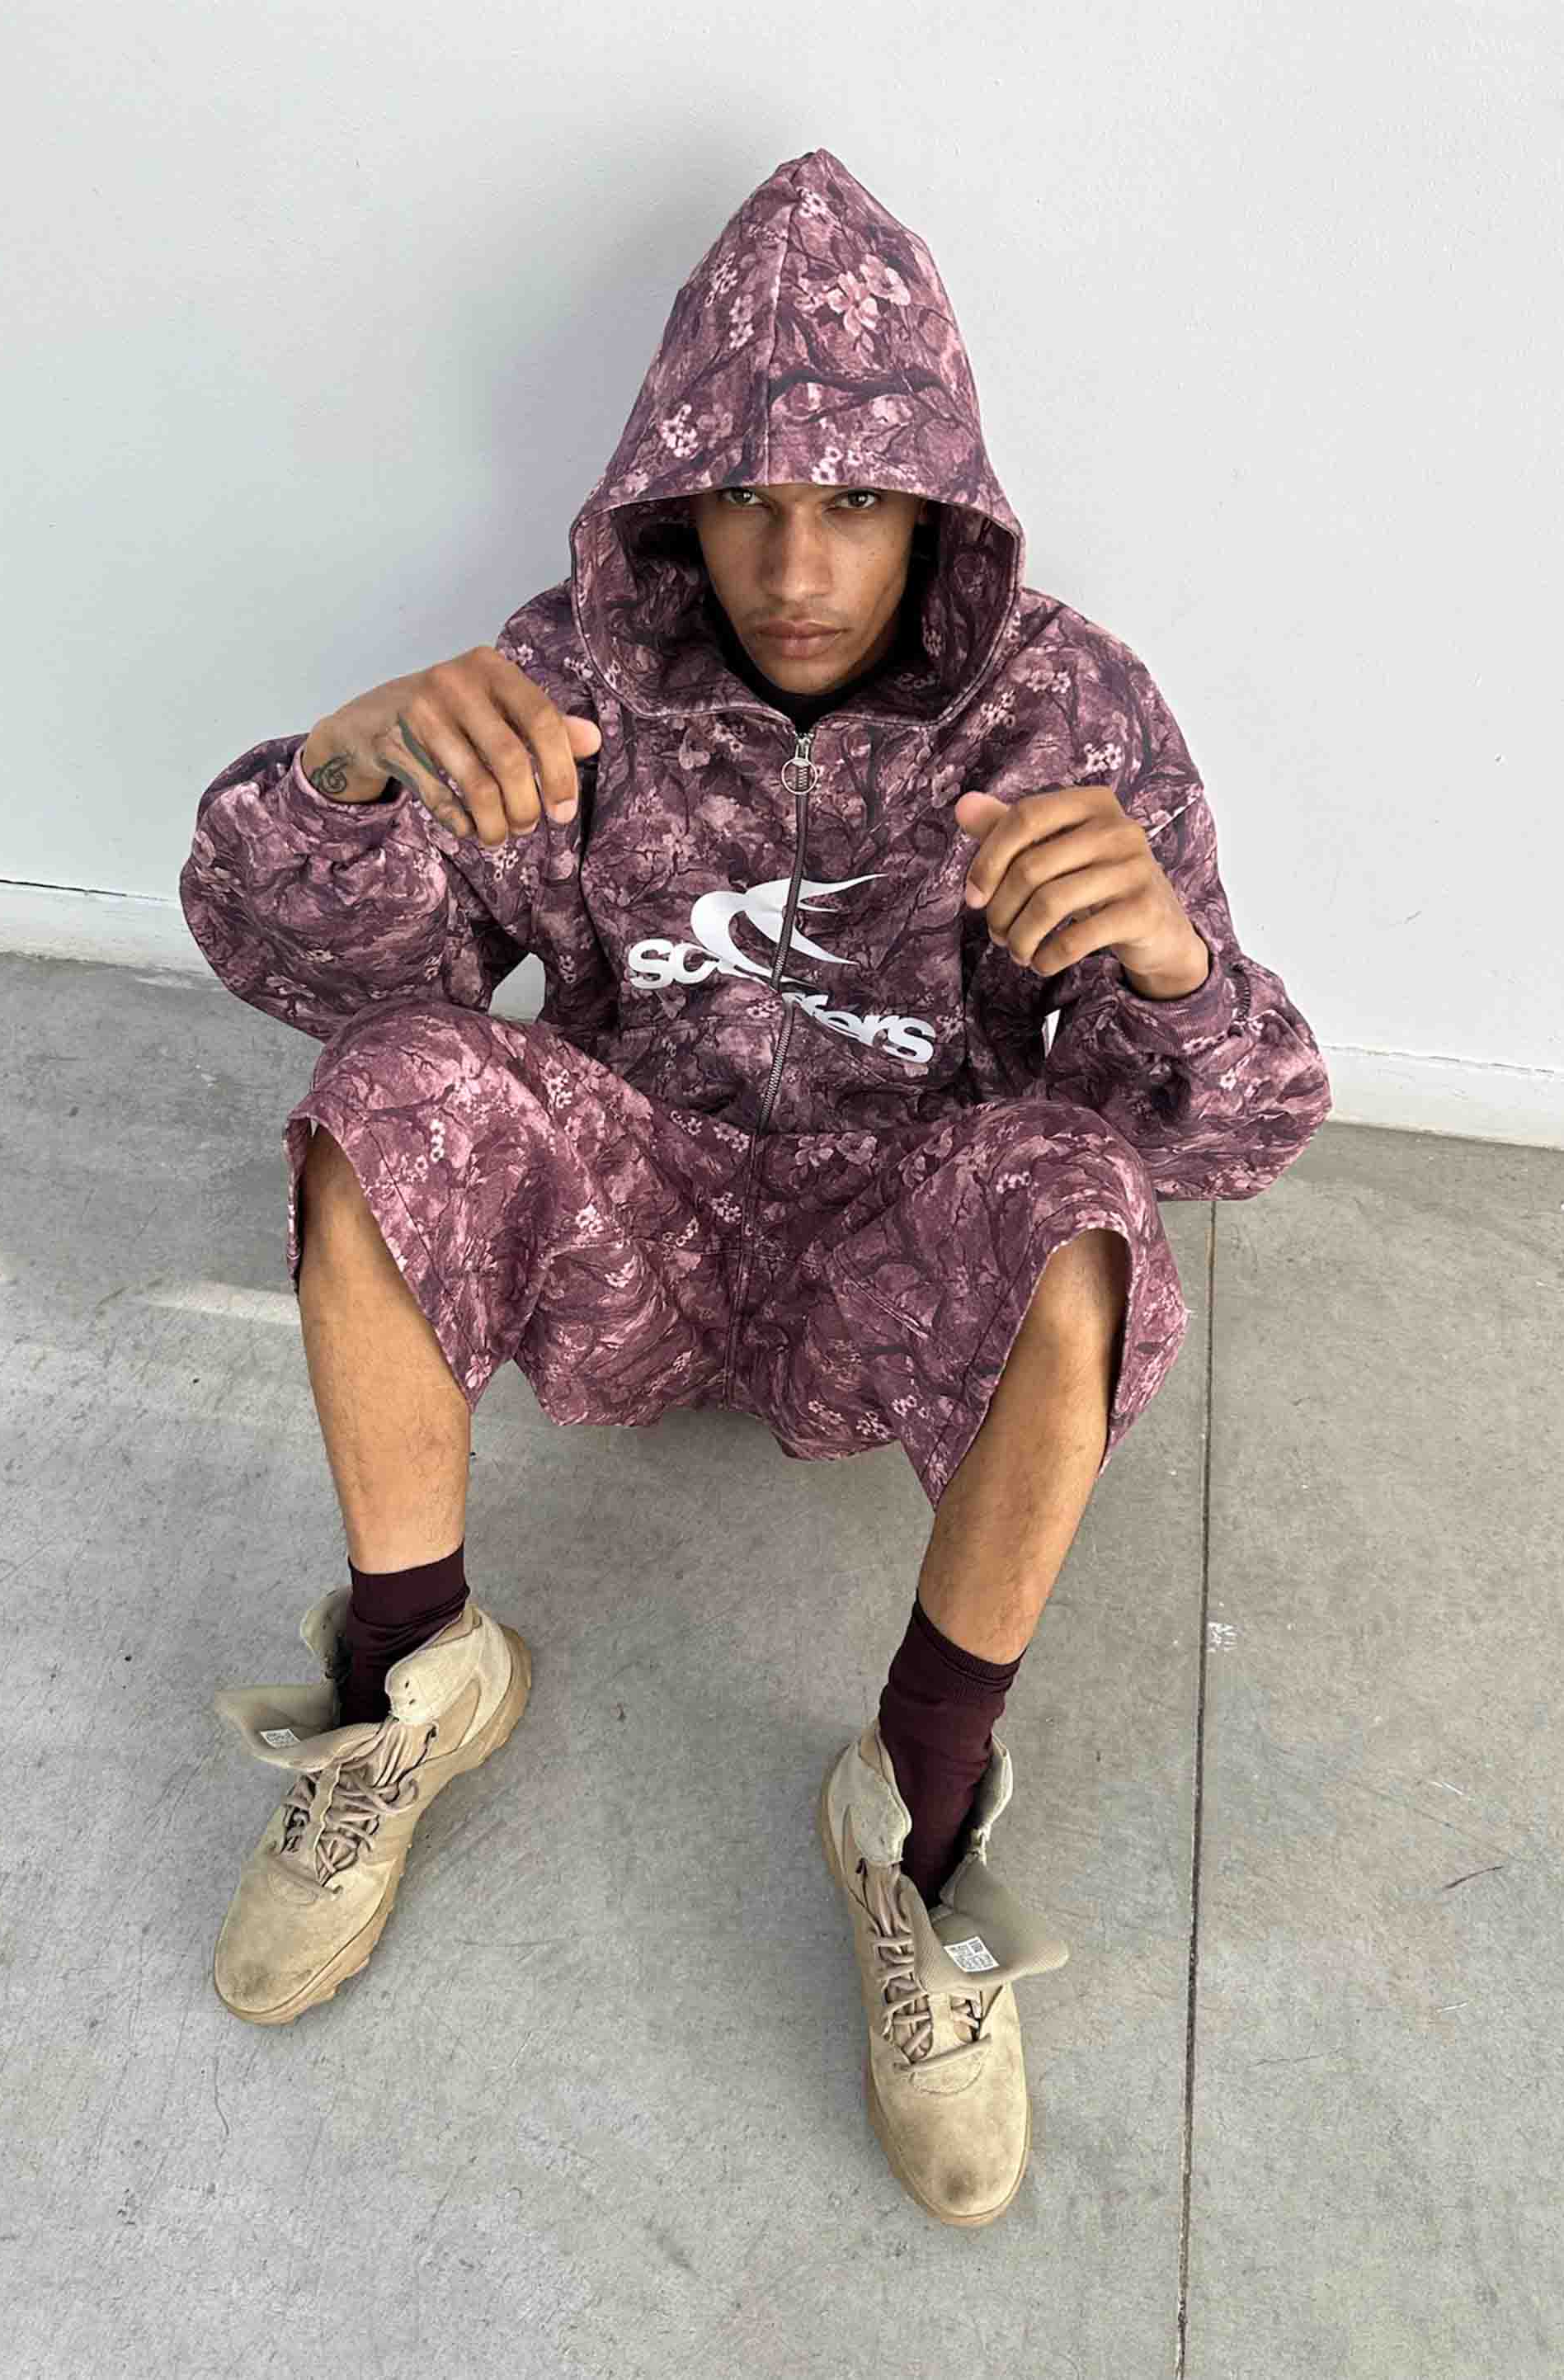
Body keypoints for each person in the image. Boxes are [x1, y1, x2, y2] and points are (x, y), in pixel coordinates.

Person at [181, 147, 1331, 2223]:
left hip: (899, 1243)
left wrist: (1175, 970)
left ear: (940, 509)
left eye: (858, 504)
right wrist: (331, 786)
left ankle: (920, 1813)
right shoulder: (575, 677)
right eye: (747, 501)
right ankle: (414, 1670)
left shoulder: (1063, 705)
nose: (797, 564)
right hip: (636, 1216)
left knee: (1081, 1210)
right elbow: (337, 975)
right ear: (671, 503)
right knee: (387, 1089)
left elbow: (1222, 1139)